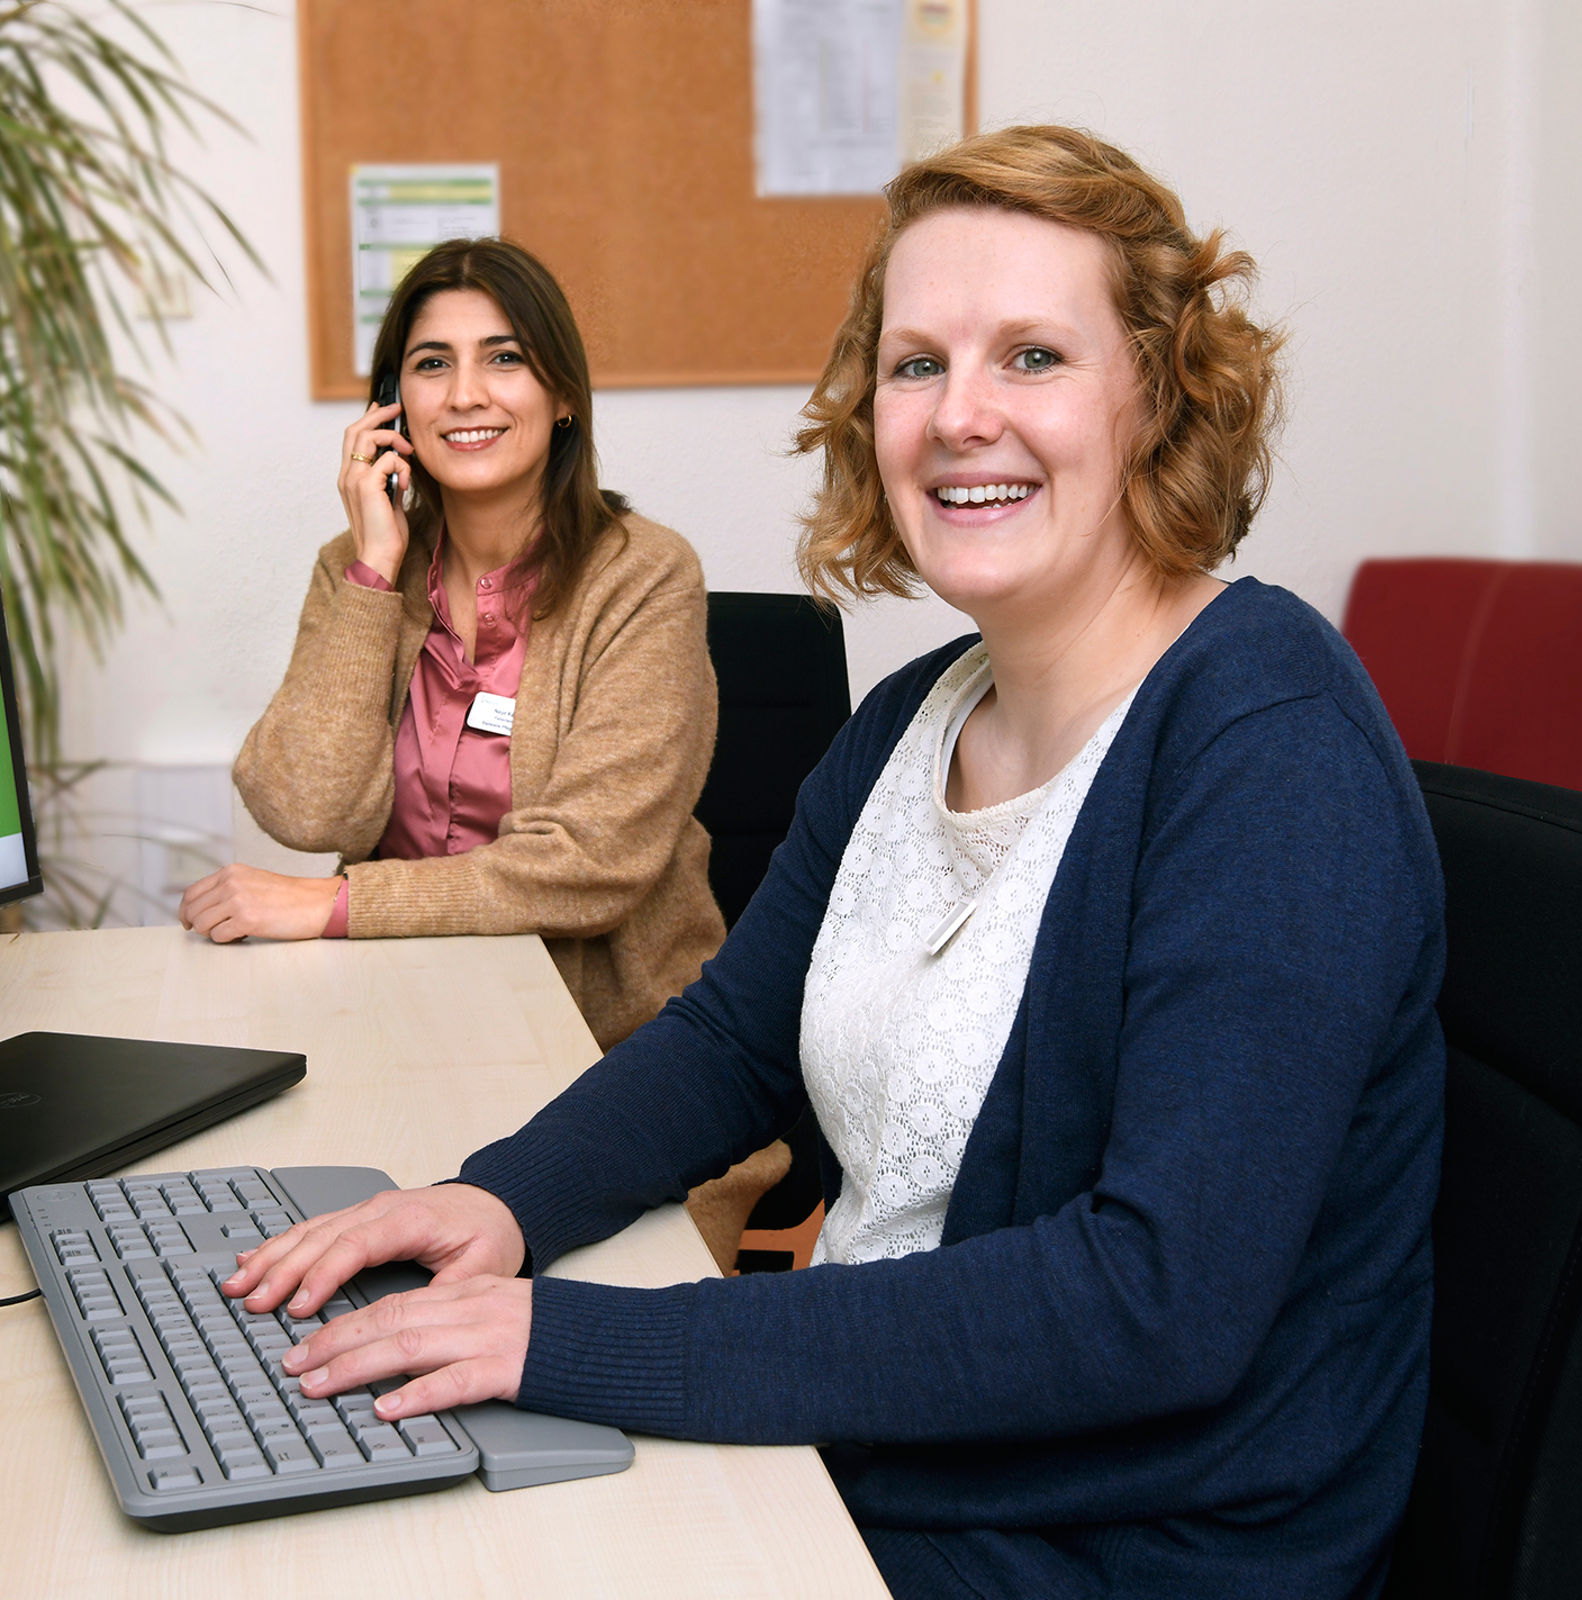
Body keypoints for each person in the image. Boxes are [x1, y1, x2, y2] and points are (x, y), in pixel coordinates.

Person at [222, 128, 1445, 1599]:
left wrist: (575, 1343)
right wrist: (501, 1203)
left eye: (1034, 357)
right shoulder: (914, 714)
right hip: (893, 1452)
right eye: (917, 363)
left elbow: (1152, 1301)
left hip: (1117, 1541)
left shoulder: (1267, 740)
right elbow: (737, 1042)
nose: (959, 414)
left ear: (1162, 395)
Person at [176, 238, 726, 1056]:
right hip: (392, 1012)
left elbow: (590, 866)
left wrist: (332, 904)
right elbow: (303, 808)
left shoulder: (643, 575)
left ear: (564, 395)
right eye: (432, 365)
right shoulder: (357, 566)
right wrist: (373, 570)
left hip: (608, 1047)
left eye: (503, 358)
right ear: (395, 409)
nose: (465, 395)